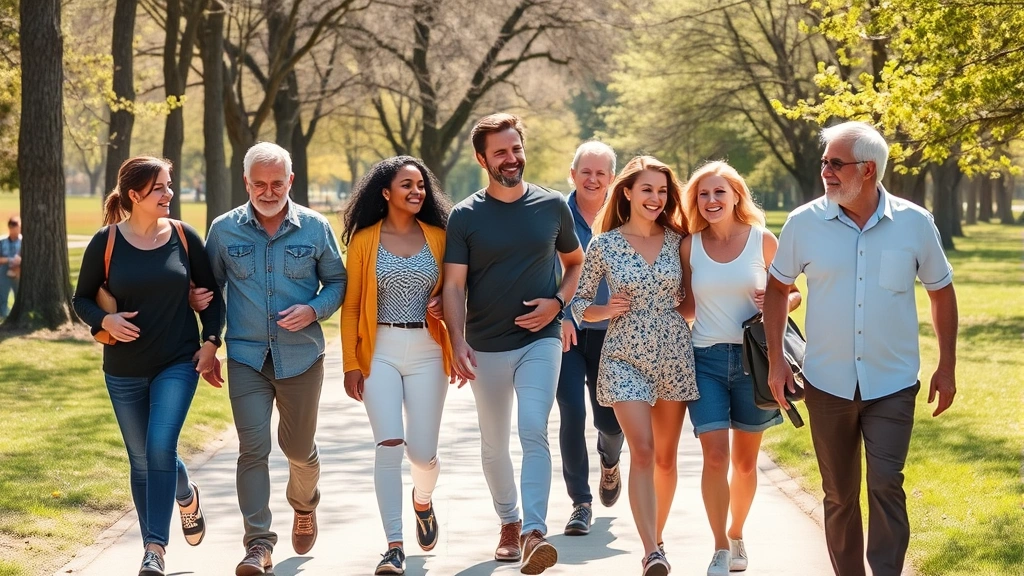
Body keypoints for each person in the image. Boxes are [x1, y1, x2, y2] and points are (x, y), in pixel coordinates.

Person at [764, 121, 958, 576]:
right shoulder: (803, 223)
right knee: (839, 493)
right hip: (827, 382)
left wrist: (946, 366)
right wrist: (776, 360)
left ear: (868, 170)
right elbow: (776, 290)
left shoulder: (914, 223)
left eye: (836, 163)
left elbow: (941, 293)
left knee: (887, 483)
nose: (825, 171)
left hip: (892, 382)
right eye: (824, 162)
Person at [443, 113, 584, 575]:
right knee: (492, 444)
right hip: (485, 346)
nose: (512, 158)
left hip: (538, 341)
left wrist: (558, 304)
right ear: (482, 158)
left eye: (516, 148)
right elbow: (453, 287)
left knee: (532, 429)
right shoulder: (465, 215)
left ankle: (534, 533)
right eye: (500, 152)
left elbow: (575, 263)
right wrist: (457, 340)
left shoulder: (550, 207)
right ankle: (509, 521)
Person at [72, 157, 224, 576]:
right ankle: (185, 494)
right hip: (122, 369)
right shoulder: (106, 242)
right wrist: (105, 320)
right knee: (142, 458)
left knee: (159, 447)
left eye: (169, 185)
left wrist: (211, 342)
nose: (169, 193)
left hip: (177, 360)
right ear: (135, 195)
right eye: (160, 187)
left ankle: (153, 549)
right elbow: (81, 298)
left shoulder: (183, 236)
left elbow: (211, 296)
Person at [203, 142, 346, 576]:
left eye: (277, 183)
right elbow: (211, 292)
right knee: (253, 449)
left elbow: (338, 283)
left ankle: (305, 505)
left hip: (302, 357)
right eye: (260, 184)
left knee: (298, 450)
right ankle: (258, 544)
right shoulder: (224, 230)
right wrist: (209, 336)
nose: (269, 191)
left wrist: (314, 310)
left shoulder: (316, 227)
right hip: (246, 356)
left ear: (290, 181)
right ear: (246, 182)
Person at [571, 155, 697, 576]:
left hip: (673, 354)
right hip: (624, 355)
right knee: (642, 450)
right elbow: (580, 305)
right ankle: (651, 552)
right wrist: (605, 311)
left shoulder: (680, 239)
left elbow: (695, 301)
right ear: (627, 191)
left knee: (664, 458)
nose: (656, 198)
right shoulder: (603, 244)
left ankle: (656, 536)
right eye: (647, 189)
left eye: (662, 191)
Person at [679, 161, 801, 575]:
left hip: (755, 360)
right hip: (705, 360)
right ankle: (717, 547)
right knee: (715, 457)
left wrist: (776, 301)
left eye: (719, 193)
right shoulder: (689, 245)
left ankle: (736, 534)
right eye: (703, 195)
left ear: (736, 196)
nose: (711, 201)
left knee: (746, 464)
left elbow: (793, 294)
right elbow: (689, 307)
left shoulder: (763, 241)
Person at [340, 156, 455, 575]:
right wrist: (352, 363)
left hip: (427, 350)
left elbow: (458, 291)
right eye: (406, 185)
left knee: (422, 454)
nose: (416, 191)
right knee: (389, 445)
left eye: (421, 185)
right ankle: (394, 545)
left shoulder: (440, 237)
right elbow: (352, 306)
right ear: (385, 193)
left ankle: (422, 500)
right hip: (380, 350)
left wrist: (446, 305)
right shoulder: (364, 241)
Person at [556, 141, 624, 536]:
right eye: (586, 171)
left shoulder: (623, 216)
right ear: (573, 174)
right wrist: (563, 314)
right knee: (572, 414)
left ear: (612, 179)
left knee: (608, 420)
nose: (593, 179)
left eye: (601, 173)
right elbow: (547, 271)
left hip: (612, 335)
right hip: (568, 333)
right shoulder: (554, 215)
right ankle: (580, 502)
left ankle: (610, 460)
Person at [0, 215, 22, 319]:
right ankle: (4, 315)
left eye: (18, 227)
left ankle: (19, 315)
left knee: (20, 296)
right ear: (10, 227)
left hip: (19, 272)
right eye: (15, 227)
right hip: (4, 271)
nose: (17, 229)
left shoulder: (23, 242)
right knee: (3, 296)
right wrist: (9, 260)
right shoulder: (2, 242)